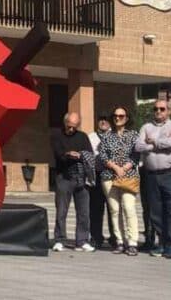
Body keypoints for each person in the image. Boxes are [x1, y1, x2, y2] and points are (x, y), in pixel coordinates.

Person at [98, 105, 140, 256]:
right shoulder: (107, 136)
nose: (117, 118)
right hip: (109, 177)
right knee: (114, 210)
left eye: (121, 116)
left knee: (129, 208)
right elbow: (102, 155)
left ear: (127, 118)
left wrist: (124, 169)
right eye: (115, 116)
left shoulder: (134, 135)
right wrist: (116, 168)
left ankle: (133, 242)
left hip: (128, 177)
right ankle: (120, 241)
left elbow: (136, 155)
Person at [50, 112, 93, 252]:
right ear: (65, 123)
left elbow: (89, 154)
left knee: (84, 212)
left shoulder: (82, 136)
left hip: (81, 178)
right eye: (69, 127)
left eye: (74, 127)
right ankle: (59, 239)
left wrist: (79, 155)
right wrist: (69, 155)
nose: (71, 130)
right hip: (64, 177)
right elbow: (59, 155)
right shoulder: (57, 135)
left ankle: (82, 240)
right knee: (61, 210)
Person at [135, 99, 171, 258]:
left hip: (168, 174)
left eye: (162, 109)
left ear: (168, 111)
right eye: (156, 109)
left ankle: (170, 244)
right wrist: (156, 145)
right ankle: (161, 243)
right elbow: (138, 146)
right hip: (150, 176)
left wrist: (154, 141)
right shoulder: (146, 127)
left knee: (170, 210)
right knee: (155, 211)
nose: (158, 111)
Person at [88, 114, 115, 249]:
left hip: (112, 176)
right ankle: (96, 237)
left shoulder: (115, 136)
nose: (103, 122)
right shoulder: (91, 137)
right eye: (100, 119)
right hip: (97, 177)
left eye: (106, 120)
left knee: (113, 208)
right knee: (95, 209)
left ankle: (115, 238)